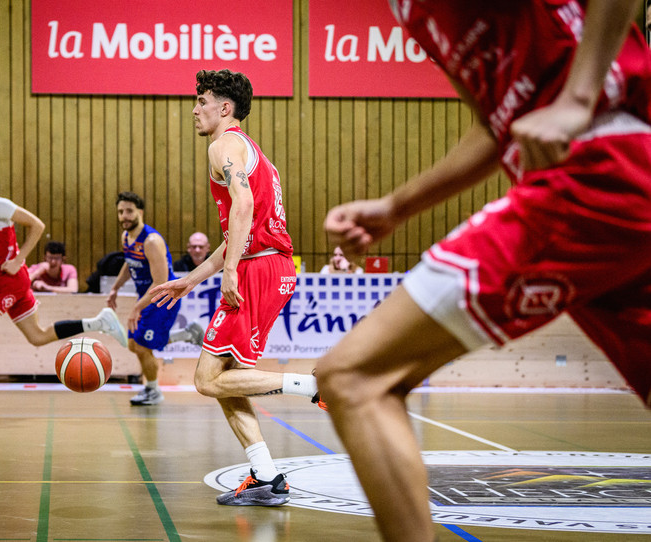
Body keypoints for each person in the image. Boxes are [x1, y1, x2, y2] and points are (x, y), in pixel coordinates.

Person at [316, 1, 651, 540]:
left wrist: (578, 96)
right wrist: (397, 206)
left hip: (592, 171)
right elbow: (499, 127)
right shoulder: (408, 10)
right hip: (622, 186)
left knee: (354, 377)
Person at [150, 69, 326, 507]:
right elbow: (237, 231)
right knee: (225, 380)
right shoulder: (253, 153)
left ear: (223, 108)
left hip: (258, 269)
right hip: (265, 265)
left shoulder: (223, 145)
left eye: (201, 100)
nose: (195, 108)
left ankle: (315, 386)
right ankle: (266, 475)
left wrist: (231, 272)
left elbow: (243, 206)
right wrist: (192, 279)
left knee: (207, 381)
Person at [0, 151, 127, 412]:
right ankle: (98, 322)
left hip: (9, 278)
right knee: (37, 337)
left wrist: (19, 258)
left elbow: (37, 225)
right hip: (8, 279)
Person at [105, 191, 203, 405]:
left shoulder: (151, 241)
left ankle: (153, 390)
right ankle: (187, 334)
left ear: (140, 212)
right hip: (148, 298)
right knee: (133, 344)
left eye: (129, 211)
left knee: (142, 345)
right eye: (121, 212)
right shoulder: (126, 237)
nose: (124, 216)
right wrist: (115, 288)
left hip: (164, 298)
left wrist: (136, 308)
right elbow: (129, 263)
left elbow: (159, 283)